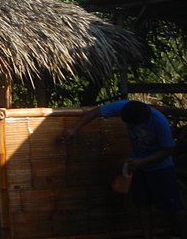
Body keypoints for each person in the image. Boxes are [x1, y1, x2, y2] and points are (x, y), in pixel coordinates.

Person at [64, 99, 186, 239]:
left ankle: (181, 234)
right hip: (137, 165)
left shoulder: (160, 122)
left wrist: (143, 161)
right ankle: (148, 235)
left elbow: (168, 150)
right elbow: (95, 112)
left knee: (173, 203)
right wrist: (75, 128)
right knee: (142, 202)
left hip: (161, 167)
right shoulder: (124, 106)